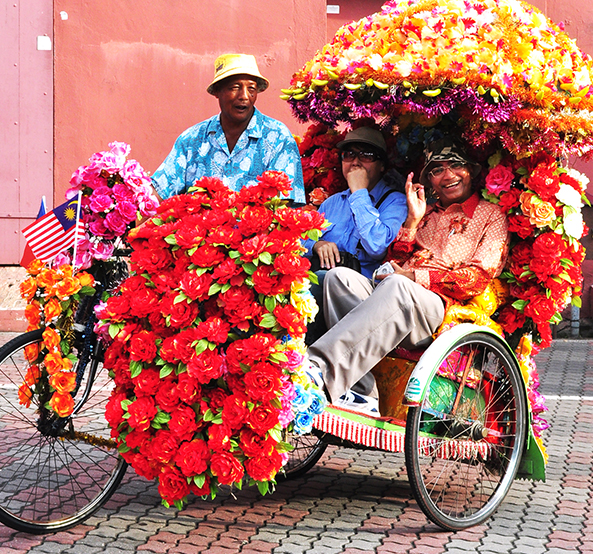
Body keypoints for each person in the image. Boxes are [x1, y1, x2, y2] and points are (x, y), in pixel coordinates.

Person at [306, 140, 510, 415]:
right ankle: (360, 392)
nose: (448, 175)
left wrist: (415, 276)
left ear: (471, 171)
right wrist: (413, 222)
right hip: (396, 294)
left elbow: (476, 279)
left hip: (440, 306)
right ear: (430, 182)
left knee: (399, 285)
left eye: (456, 166)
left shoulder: (491, 216)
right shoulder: (425, 212)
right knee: (339, 278)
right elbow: (395, 258)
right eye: (437, 170)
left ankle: (318, 368)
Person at [151, 54, 306, 203]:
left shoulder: (278, 137)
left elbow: (285, 204)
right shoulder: (192, 140)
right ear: (217, 91)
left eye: (251, 89)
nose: (244, 96)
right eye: (235, 87)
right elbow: (158, 192)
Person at [301, 127, 406, 342]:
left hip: (366, 291)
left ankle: (310, 361)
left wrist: (359, 193)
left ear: (382, 165)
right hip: (323, 284)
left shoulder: (396, 201)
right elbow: (299, 242)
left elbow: (377, 247)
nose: (355, 162)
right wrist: (316, 245)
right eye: (349, 155)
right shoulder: (332, 203)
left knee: (321, 282)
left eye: (366, 155)